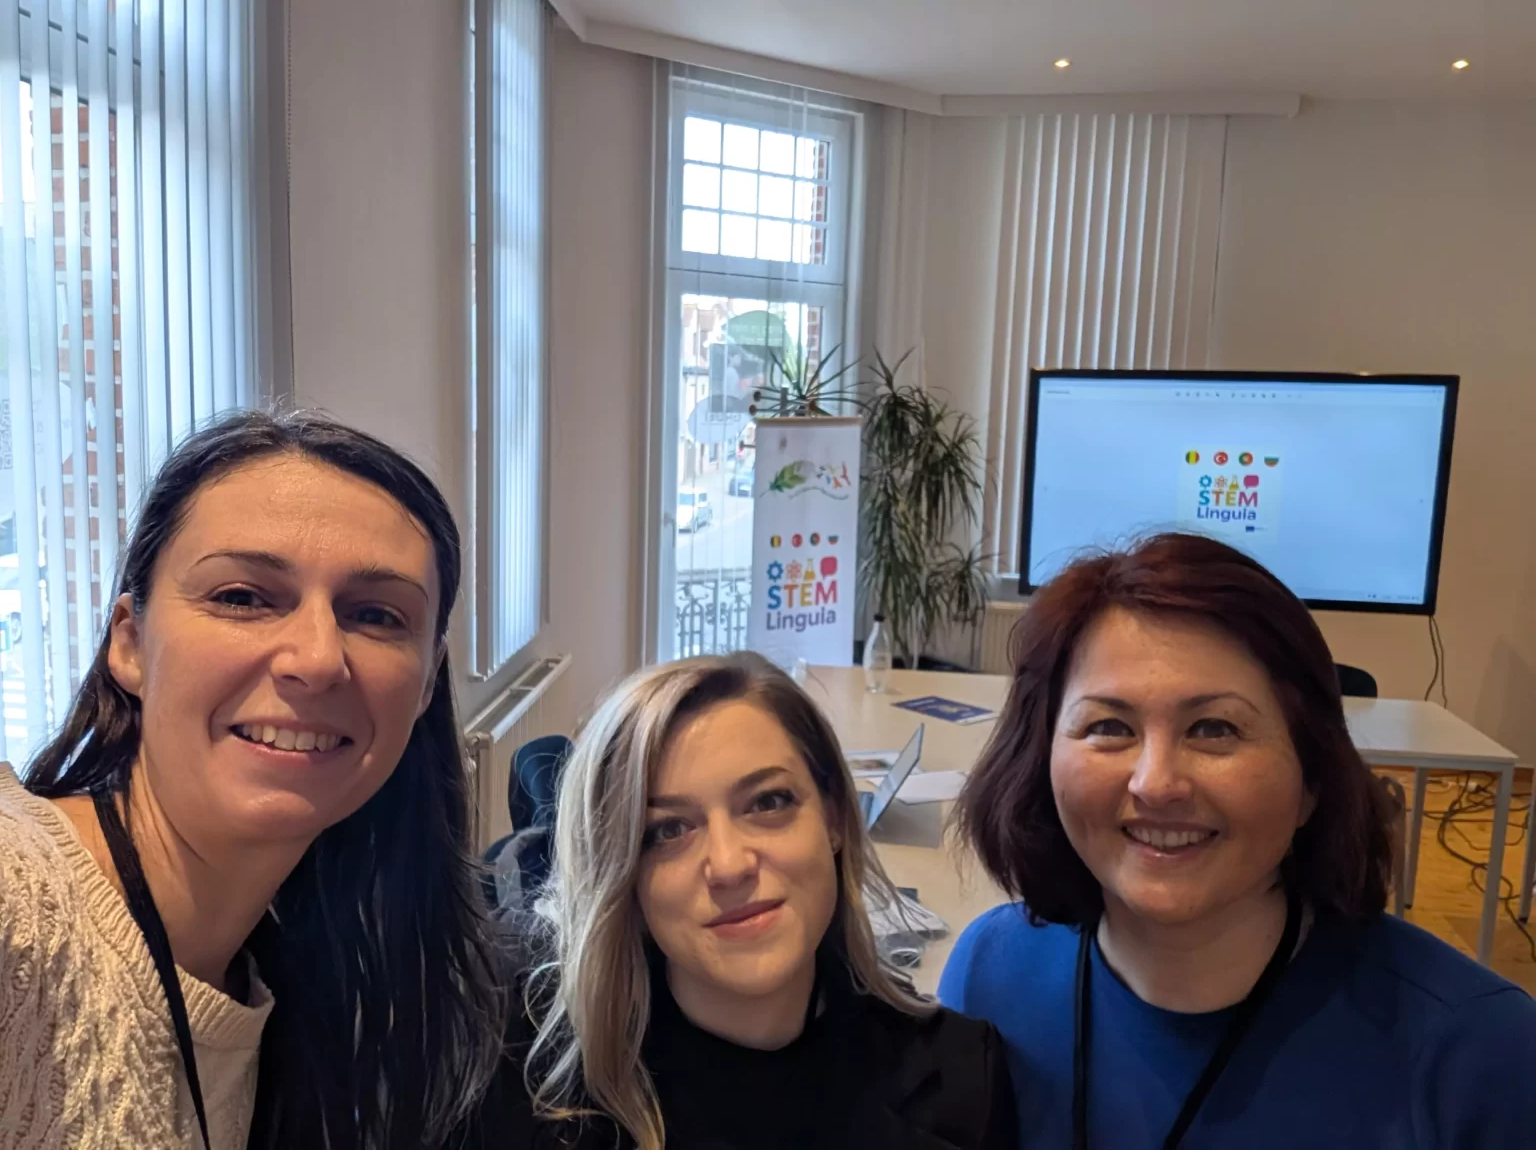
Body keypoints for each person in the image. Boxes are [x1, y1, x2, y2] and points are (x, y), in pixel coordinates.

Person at [0, 411, 504, 1148]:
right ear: (131, 644)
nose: (317, 659)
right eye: (242, 597)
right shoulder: (18, 900)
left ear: (428, 682)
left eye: (375, 615)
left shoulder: (310, 985)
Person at [940, 532, 1536, 1149]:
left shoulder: (1480, 1056)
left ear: (1312, 779)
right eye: (1109, 726)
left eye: (1214, 729)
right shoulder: (991, 974)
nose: (1156, 784)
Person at [470, 653, 1016, 1150]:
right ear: (623, 876)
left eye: (768, 802)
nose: (729, 865)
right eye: (668, 830)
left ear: (833, 817)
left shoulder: (960, 1083)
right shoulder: (525, 1086)